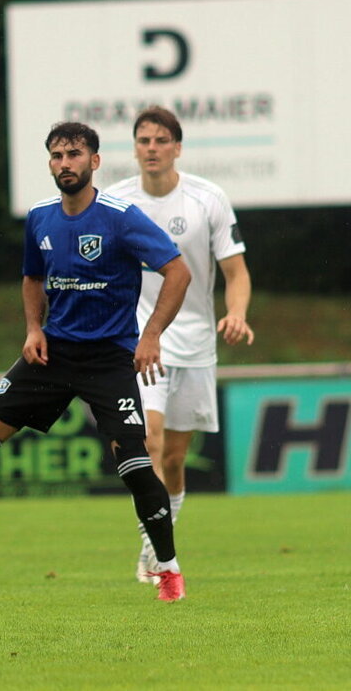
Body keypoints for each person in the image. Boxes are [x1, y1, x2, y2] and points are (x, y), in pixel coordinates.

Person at [0, 122, 193, 602]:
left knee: (133, 464)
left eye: (74, 154)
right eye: (57, 155)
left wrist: (151, 336)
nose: (65, 163)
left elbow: (178, 271)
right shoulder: (41, 217)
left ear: (95, 161)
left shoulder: (120, 217)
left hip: (109, 358)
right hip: (54, 354)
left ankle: (168, 571)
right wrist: (33, 328)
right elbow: (32, 277)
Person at [104, 105, 253, 583]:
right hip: (139, 341)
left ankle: (157, 542)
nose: (152, 149)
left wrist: (236, 313)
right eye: (144, 141)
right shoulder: (115, 202)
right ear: (135, 148)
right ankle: (154, 551)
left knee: (173, 457)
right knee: (149, 440)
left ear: (177, 148)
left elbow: (236, 272)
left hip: (195, 342)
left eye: (161, 141)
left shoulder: (207, 199)